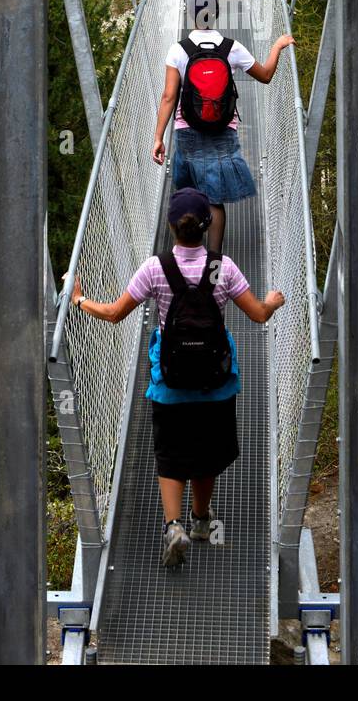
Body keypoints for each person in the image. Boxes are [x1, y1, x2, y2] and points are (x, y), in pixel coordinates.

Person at [72, 187, 284, 567]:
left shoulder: (156, 267)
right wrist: (273, 301)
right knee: (206, 454)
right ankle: (201, 521)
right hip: (214, 381)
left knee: (170, 454)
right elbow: (258, 314)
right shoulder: (221, 267)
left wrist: (79, 300)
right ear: (207, 226)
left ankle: (174, 526)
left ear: (172, 226)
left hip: (170, 382)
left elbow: (115, 313)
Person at [152, 0, 295, 257]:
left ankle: (186, 252)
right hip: (222, 131)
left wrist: (158, 137)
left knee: (187, 192)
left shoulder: (178, 50)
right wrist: (276, 46)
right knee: (214, 198)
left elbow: (169, 96)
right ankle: (214, 260)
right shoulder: (232, 48)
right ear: (216, 14)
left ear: (190, 15)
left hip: (188, 131)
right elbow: (265, 76)